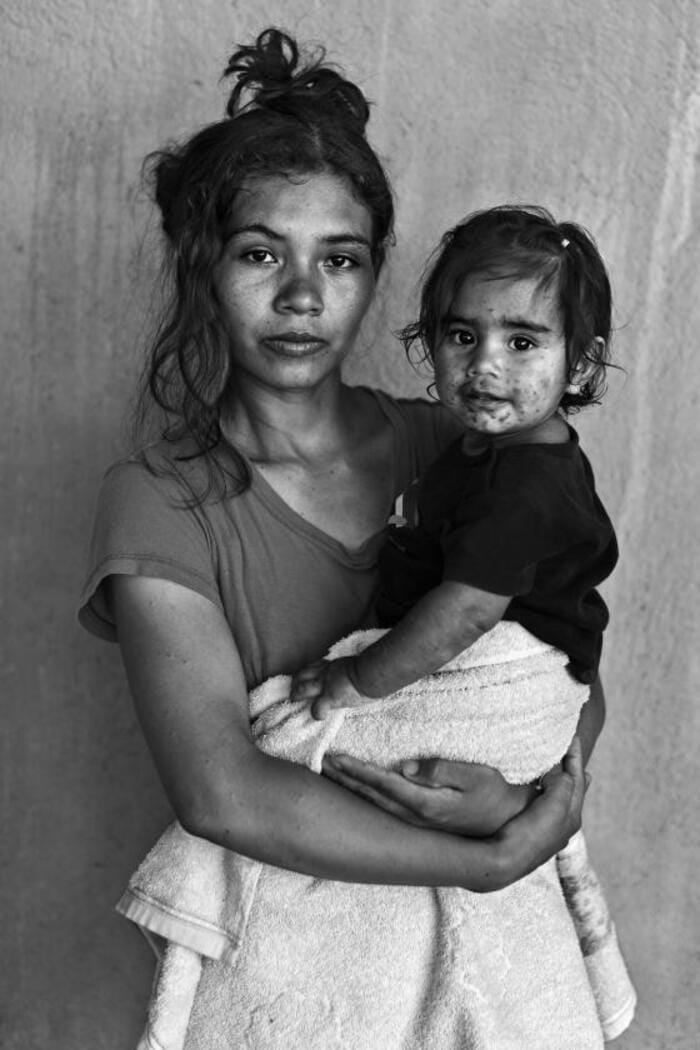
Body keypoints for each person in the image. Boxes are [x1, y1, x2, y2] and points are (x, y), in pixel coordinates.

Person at [79, 28, 607, 1050]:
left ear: (374, 278)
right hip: (305, 981)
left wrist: (523, 795)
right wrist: (485, 857)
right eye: (259, 253)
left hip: (488, 970)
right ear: (202, 265)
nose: (302, 296)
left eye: (340, 259)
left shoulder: (459, 445)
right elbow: (222, 792)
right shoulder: (160, 501)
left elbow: (564, 656)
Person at [290, 207, 618, 771]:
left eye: (522, 343)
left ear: (582, 366)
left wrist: (359, 679)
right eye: (463, 336)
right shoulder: (487, 448)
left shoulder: (526, 485)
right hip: (461, 649)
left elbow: (467, 613)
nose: (484, 364)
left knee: (297, 736)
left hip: (509, 674)